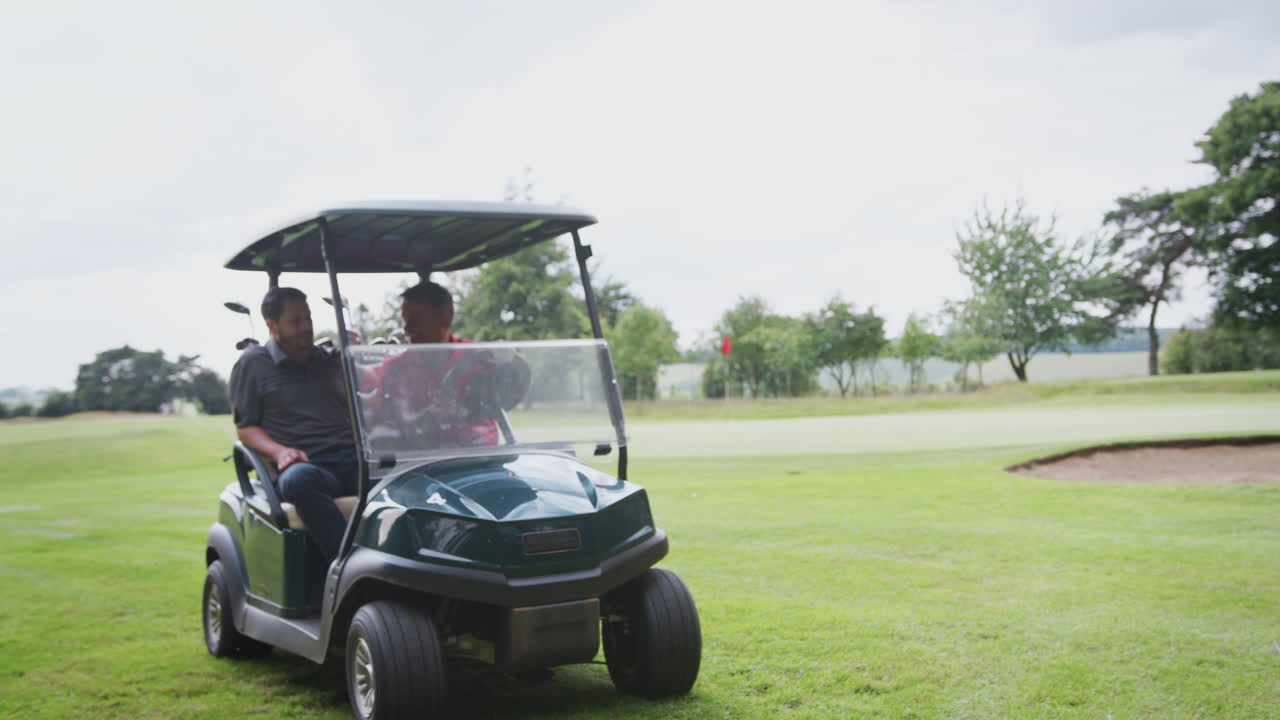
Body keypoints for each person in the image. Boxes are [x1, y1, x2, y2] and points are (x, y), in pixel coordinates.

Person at [229, 286, 357, 562]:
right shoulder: (253, 364)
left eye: (308, 318)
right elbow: (246, 427)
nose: (306, 327)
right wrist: (279, 452)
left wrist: (360, 355)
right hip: (308, 464)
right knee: (299, 481)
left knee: (405, 474)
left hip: (351, 458)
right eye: (295, 321)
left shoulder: (327, 360)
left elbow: (370, 393)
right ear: (272, 325)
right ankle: (347, 563)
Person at [378, 280, 501, 447]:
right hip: (424, 462)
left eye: (416, 319)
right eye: (405, 320)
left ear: (445, 318)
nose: (407, 329)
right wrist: (431, 415)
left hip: (481, 458)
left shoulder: (479, 357)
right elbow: (397, 425)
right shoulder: (394, 368)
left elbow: (504, 396)